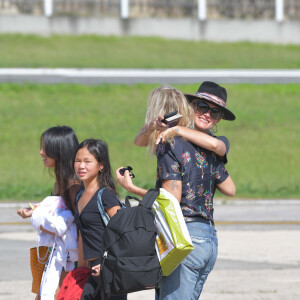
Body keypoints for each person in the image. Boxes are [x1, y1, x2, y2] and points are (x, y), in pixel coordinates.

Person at [116, 84, 236, 299]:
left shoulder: (172, 144)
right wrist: (153, 126)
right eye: (202, 106)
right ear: (190, 106)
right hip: (208, 239)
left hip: (184, 237)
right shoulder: (208, 149)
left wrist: (132, 189)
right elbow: (230, 188)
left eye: (215, 111)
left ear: (219, 119)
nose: (207, 114)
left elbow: (171, 200)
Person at [17, 125, 81, 299]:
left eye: (46, 148)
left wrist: (40, 221)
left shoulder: (74, 184)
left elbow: (73, 223)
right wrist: (34, 211)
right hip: (59, 254)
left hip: (71, 259)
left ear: (59, 150)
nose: (41, 152)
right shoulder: (62, 180)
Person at [73, 139, 127, 300]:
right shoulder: (79, 196)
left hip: (111, 271)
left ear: (101, 165)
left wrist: (108, 264)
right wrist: (81, 269)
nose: (81, 166)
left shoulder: (106, 195)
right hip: (93, 270)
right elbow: (83, 234)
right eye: (77, 161)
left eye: (87, 161)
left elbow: (123, 232)